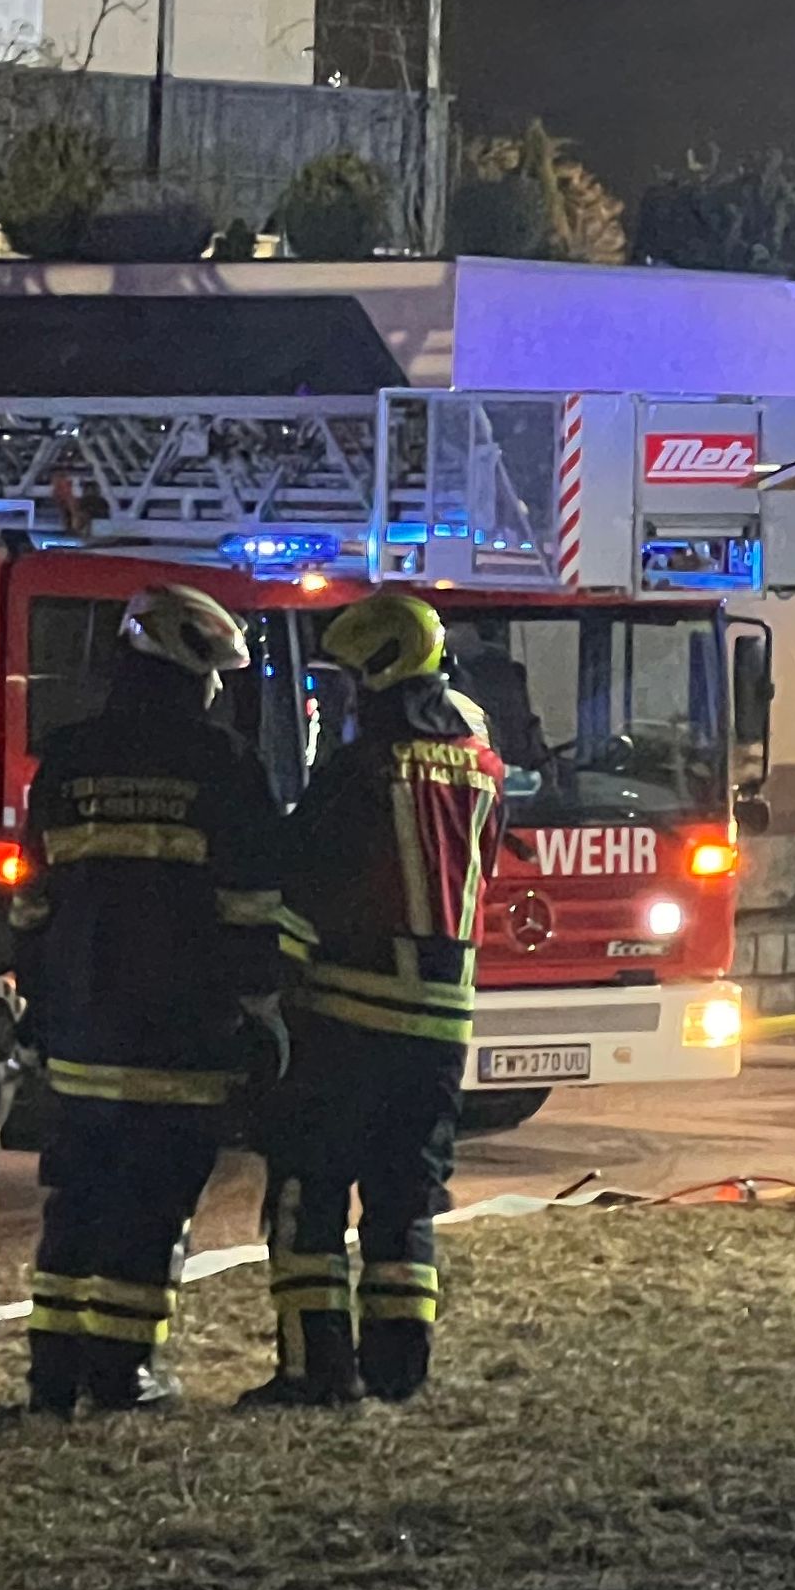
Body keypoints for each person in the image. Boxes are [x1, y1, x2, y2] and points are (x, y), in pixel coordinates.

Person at [7, 581, 296, 1418]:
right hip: (178, 1033)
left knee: (78, 1207)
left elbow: (32, 902)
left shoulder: (66, 759)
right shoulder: (220, 764)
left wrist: (40, 999)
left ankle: (53, 1376)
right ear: (194, 669)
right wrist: (258, 1006)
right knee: (150, 1207)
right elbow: (250, 904)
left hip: (78, 1033)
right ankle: (124, 1370)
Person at [252, 589, 504, 1409]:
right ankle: (400, 1370)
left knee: (309, 1193)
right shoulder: (483, 771)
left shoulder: (361, 771)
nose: (345, 697)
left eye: (351, 681)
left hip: (348, 1017)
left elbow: (304, 880)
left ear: (380, 675)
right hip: (442, 1026)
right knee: (404, 1200)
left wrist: (264, 986)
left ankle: (316, 1372)